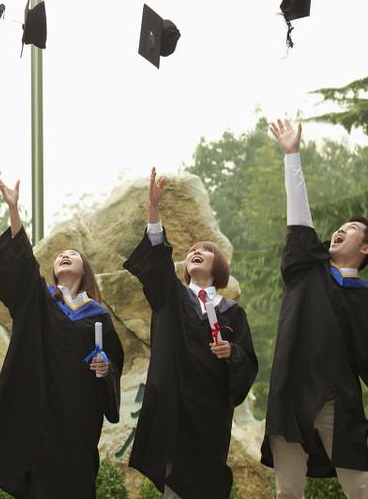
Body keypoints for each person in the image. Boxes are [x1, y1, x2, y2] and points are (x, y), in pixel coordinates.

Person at [261, 119, 368, 499]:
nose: (340, 229)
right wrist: (292, 156)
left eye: (352, 228)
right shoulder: (306, 269)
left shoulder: (365, 299)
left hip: (335, 398)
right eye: (340, 226)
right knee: (288, 489)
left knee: (358, 485)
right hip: (290, 392)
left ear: (366, 248)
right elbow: (299, 218)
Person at [0, 178, 124, 499]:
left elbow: (113, 367)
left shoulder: (98, 316)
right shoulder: (40, 299)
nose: (65, 256)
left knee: (74, 483)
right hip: (35, 412)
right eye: (60, 255)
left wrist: (105, 369)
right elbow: (22, 263)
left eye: (73, 254)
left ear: (86, 270)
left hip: (76, 419)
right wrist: (13, 210)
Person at [125, 168, 257, 499]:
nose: (196, 251)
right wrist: (154, 212)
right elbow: (155, 258)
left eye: (206, 250)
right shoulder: (171, 296)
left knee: (208, 485)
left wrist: (233, 353)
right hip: (175, 405)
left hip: (210, 413)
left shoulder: (232, 313)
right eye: (192, 250)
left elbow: (248, 362)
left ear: (220, 266)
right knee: (176, 485)